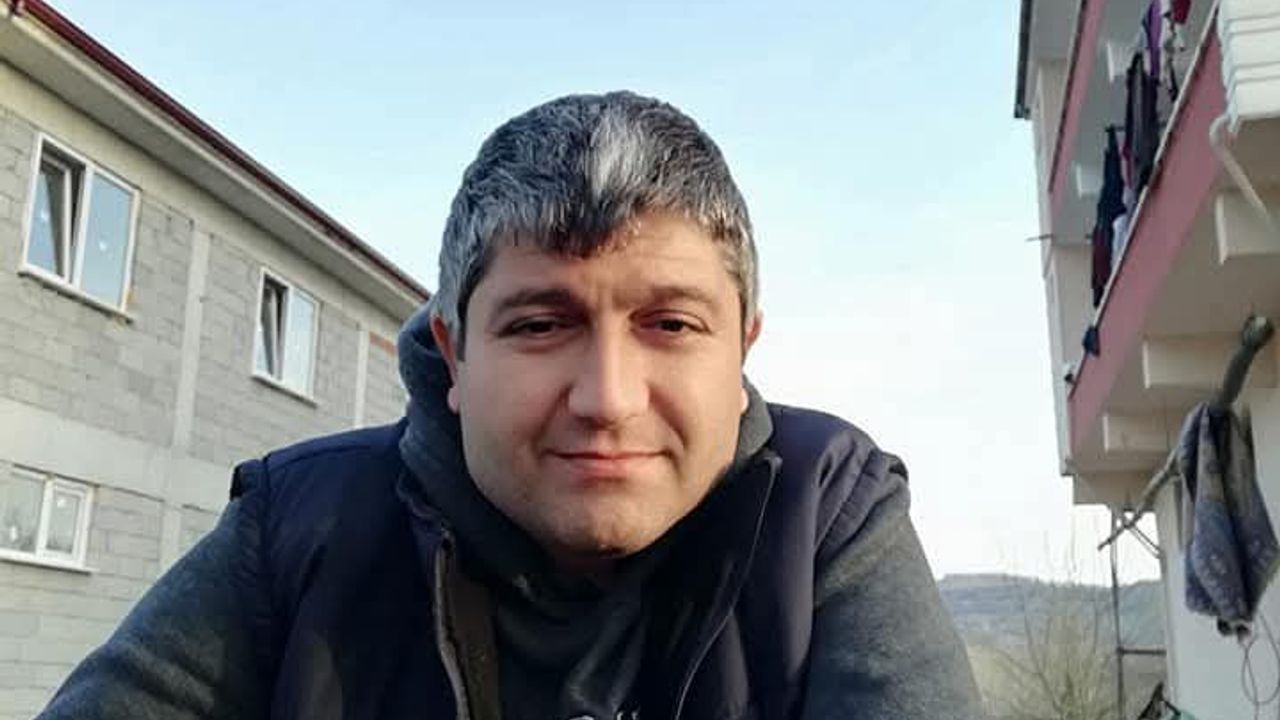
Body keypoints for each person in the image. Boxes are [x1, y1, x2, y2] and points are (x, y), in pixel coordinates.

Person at [38, 91, 981, 720]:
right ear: (454, 353)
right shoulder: (298, 530)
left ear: (742, 350)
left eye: (670, 325)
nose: (607, 400)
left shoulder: (827, 514)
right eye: (539, 325)